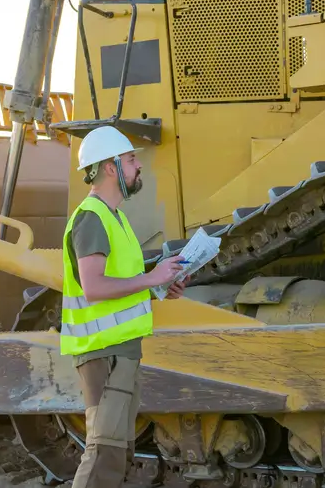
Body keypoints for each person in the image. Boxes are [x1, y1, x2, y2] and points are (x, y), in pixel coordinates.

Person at [60, 125, 188, 488]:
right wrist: (152, 278)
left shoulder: (115, 219)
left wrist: (160, 287)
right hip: (104, 353)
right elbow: (95, 286)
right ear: (111, 167)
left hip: (122, 352)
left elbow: (120, 286)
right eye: (131, 159)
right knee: (104, 456)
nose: (138, 166)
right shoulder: (92, 218)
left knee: (119, 455)